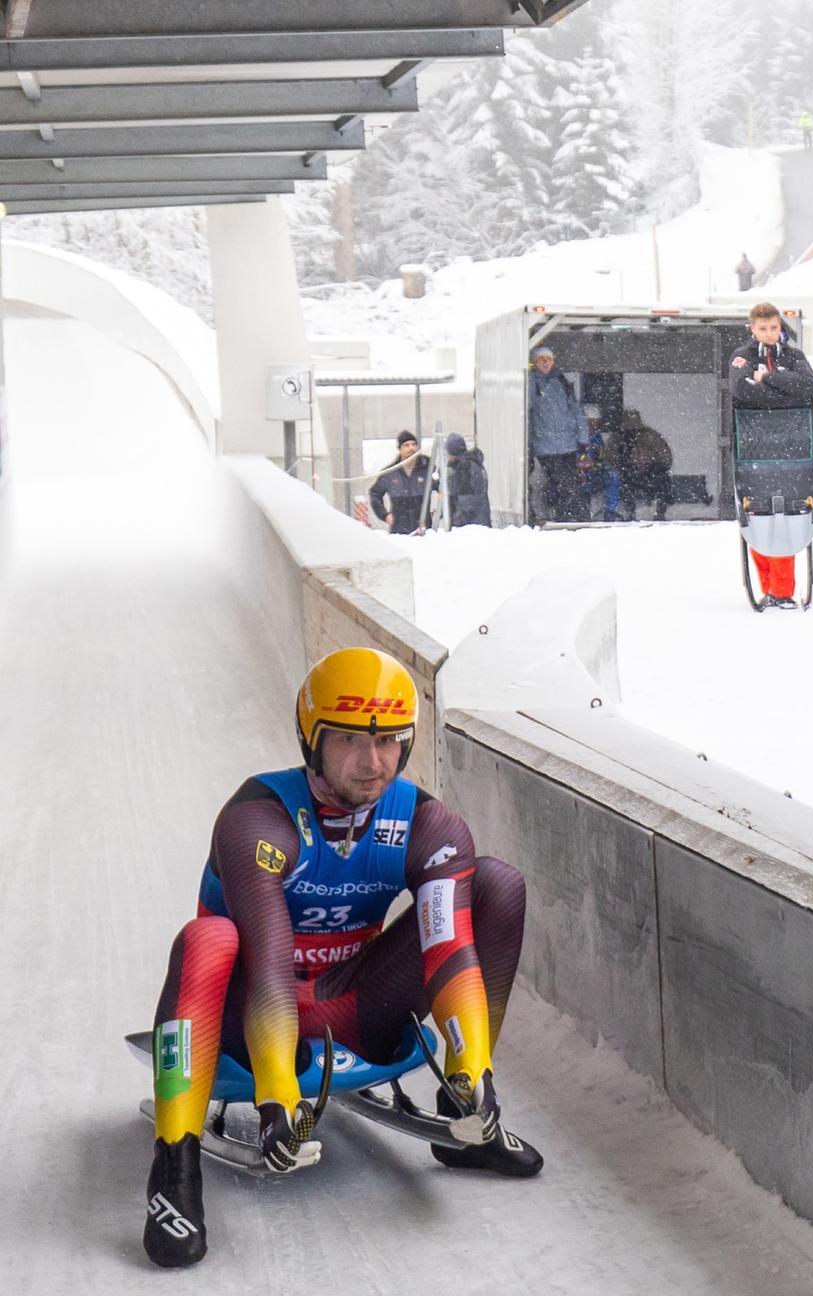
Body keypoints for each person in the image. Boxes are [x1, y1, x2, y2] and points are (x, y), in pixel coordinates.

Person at [141, 648, 541, 1268]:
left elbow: (448, 947)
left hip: (351, 1004)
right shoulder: (258, 818)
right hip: (248, 1018)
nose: (371, 762)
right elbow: (268, 960)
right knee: (208, 939)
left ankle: (463, 1120)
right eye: (349, 740)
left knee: (495, 885)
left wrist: (472, 1066)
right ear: (312, 739)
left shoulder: (428, 826)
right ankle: (174, 1167)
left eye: (387, 740)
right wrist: (277, 1098)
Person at [729, 301, 813, 610]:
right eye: (763, 328)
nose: (769, 333)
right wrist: (785, 392)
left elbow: (808, 386)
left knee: (788, 520)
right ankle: (770, 587)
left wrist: (768, 378)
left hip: (794, 451)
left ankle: (781, 590)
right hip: (753, 451)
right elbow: (741, 391)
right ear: (753, 329)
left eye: (774, 327)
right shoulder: (741, 356)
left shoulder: (794, 357)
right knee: (757, 521)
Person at [527, 344, 588, 524]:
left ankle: (566, 518)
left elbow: (577, 411)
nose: (546, 363)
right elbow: (527, 416)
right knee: (566, 484)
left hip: (568, 445)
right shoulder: (530, 383)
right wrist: (529, 447)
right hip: (545, 447)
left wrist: (583, 439)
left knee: (567, 484)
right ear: (535, 362)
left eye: (549, 359)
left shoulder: (561, 382)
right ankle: (576, 518)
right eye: (541, 360)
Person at [605, 410, 674, 522]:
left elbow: (665, 457)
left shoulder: (651, 436)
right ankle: (630, 512)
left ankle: (660, 512)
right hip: (629, 472)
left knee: (664, 481)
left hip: (651, 471)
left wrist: (652, 465)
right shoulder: (617, 438)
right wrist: (625, 464)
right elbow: (611, 457)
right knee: (623, 481)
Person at [368, 430, 434, 535]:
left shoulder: (428, 469)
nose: (411, 448)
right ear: (400, 449)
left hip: (423, 530)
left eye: (413, 444)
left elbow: (444, 488)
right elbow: (375, 493)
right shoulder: (390, 473)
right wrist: (385, 515)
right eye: (406, 445)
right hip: (399, 530)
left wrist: (437, 513)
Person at [443, 433, 492, 528]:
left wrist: (456, 524)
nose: (447, 457)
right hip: (481, 522)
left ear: (453, 453)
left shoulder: (464, 468)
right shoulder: (474, 464)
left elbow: (466, 502)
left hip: (470, 527)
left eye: (447, 453)